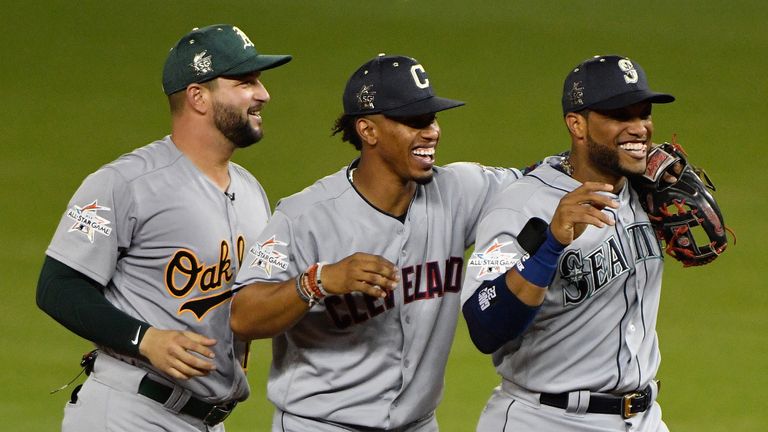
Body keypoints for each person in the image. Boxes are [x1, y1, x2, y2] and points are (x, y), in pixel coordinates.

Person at [230, 53, 522, 431]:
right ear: (368, 131)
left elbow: (540, 182)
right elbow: (242, 315)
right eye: (413, 121)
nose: (431, 132)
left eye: (432, 118)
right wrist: (318, 281)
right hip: (322, 425)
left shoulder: (460, 190)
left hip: (418, 424)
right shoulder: (303, 217)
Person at [36, 24, 291, 431]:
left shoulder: (250, 191)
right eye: (245, 82)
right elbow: (58, 286)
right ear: (198, 97)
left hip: (206, 420)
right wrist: (144, 338)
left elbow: (258, 295)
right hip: (130, 411)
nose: (263, 94)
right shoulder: (127, 183)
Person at [461, 54, 675, 431]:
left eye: (644, 114)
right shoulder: (520, 205)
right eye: (620, 116)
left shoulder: (644, 194)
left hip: (643, 419)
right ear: (577, 124)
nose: (639, 128)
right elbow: (484, 323)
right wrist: (550, 247)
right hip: (546, 419)